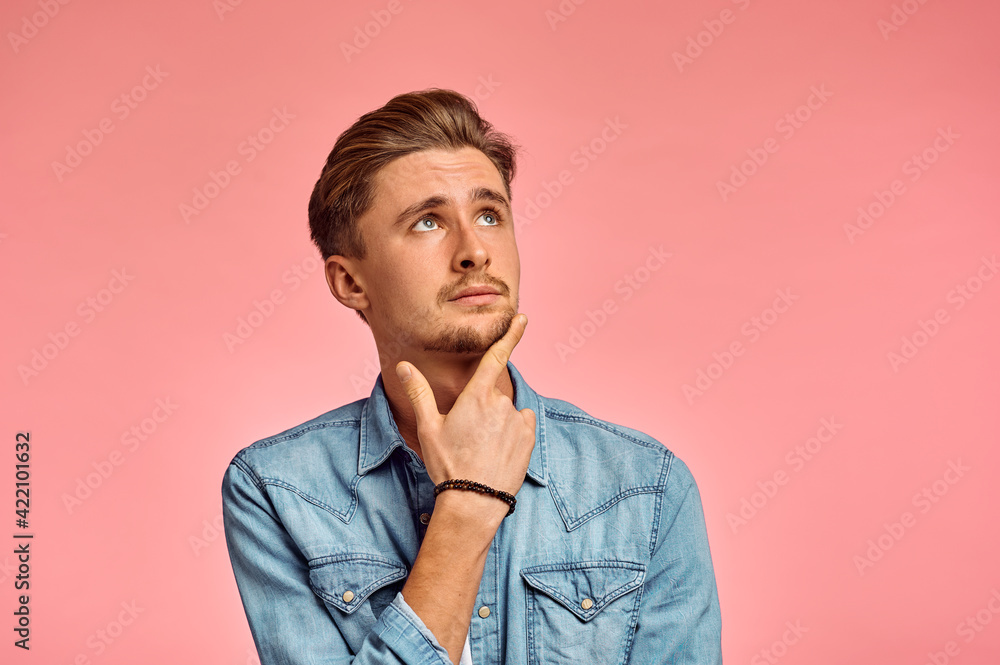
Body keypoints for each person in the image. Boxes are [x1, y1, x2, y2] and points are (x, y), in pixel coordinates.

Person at [222, 88, 722, 665]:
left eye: (489, 215)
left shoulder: (646, 486)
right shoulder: (278, 490)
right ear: (351, 282)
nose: (475, 251)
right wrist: (465, 509)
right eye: (427, 222)